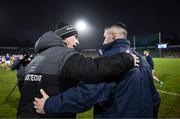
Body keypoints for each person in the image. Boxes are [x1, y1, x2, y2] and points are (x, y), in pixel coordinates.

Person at [33, 23, 160, 118]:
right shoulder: (142, 60)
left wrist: (49, 104)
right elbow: (155, 98)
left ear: (113, 36)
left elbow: (87, 94)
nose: (103, 41)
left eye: (104, 37)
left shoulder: (111, 60)